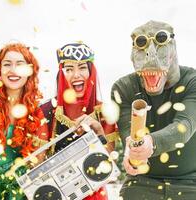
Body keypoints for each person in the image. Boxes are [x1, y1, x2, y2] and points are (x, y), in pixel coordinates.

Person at [111, 20, 196, 200]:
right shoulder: (123, 88)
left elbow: (184, 126)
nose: (150, 53)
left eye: (159, 42)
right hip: (142, 181)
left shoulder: (192, 81)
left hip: (190, 182)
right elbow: (129, 133)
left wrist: (151, 143)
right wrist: (131, 152)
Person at [0, 43, 49, 200]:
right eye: (7, 64)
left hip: (22, 190)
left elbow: (38, 160)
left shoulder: (37, 111)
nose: (13, 70)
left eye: (20, 64)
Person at [40, 42, 118, 200]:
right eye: (69, 69)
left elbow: (109, 166)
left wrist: (98, 130)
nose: (76, 75)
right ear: (62, 74)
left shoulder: (104, 112)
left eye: (82, 67)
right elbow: (37, 167)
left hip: (94, 195)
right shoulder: (46, 110)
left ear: (91, 72)